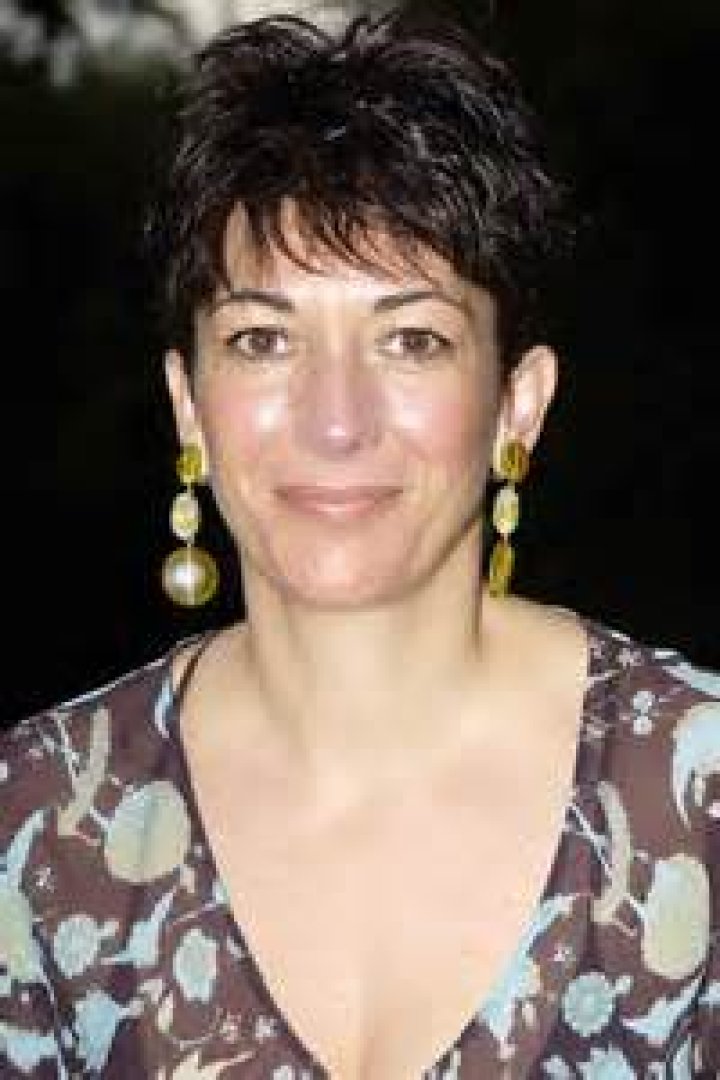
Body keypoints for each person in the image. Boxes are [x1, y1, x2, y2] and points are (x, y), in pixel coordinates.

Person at [2, 8, 719, 1078]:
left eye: (411, 340)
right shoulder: (37, 831)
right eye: (263, 339)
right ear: (189, 402)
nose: (335, 420)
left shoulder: (699, 798)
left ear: (518, 404)